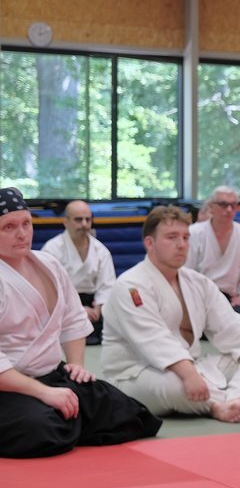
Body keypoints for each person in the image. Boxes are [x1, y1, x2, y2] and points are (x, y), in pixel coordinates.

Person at [0, 188, 160, 458]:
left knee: (131, 413)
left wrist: (76, 364)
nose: (22, 233)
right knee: (41, 429)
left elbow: (73, 319)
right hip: (10, 386)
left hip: (52, 374)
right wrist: (43, 393)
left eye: (26, 223)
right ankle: (64, 417)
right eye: (9, 227)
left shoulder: (49, 264)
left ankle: (66, 418)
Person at [103, 206, 240, 422]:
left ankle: (237, 402)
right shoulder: (131, 285)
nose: (181, 245)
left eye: (186, 237)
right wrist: (189, 376)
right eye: (172, 237)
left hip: (194, 364)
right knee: (176, 387)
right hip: (136, 373)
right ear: (149, 243)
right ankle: (233, 401)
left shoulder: (197, 282)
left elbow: (231, 325)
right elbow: (153, 339)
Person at [186, 186, 240, 334]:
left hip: (229, 300)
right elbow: (185, 271)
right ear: (211, 207)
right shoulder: (194, 232)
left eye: (233, 205)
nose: (228, 209)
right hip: (199, 299)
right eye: (223, 204)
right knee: (194, 328)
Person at [39, 200, 116, 345]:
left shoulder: (101, 251)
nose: (84, 224)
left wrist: (98, 308)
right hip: (63, 306)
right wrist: (78, 310)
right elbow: (49, 291)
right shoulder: (52, 249)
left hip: (93, 307)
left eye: (88, 219)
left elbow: (107, 285)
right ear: (66, 221)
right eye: (78, 220)